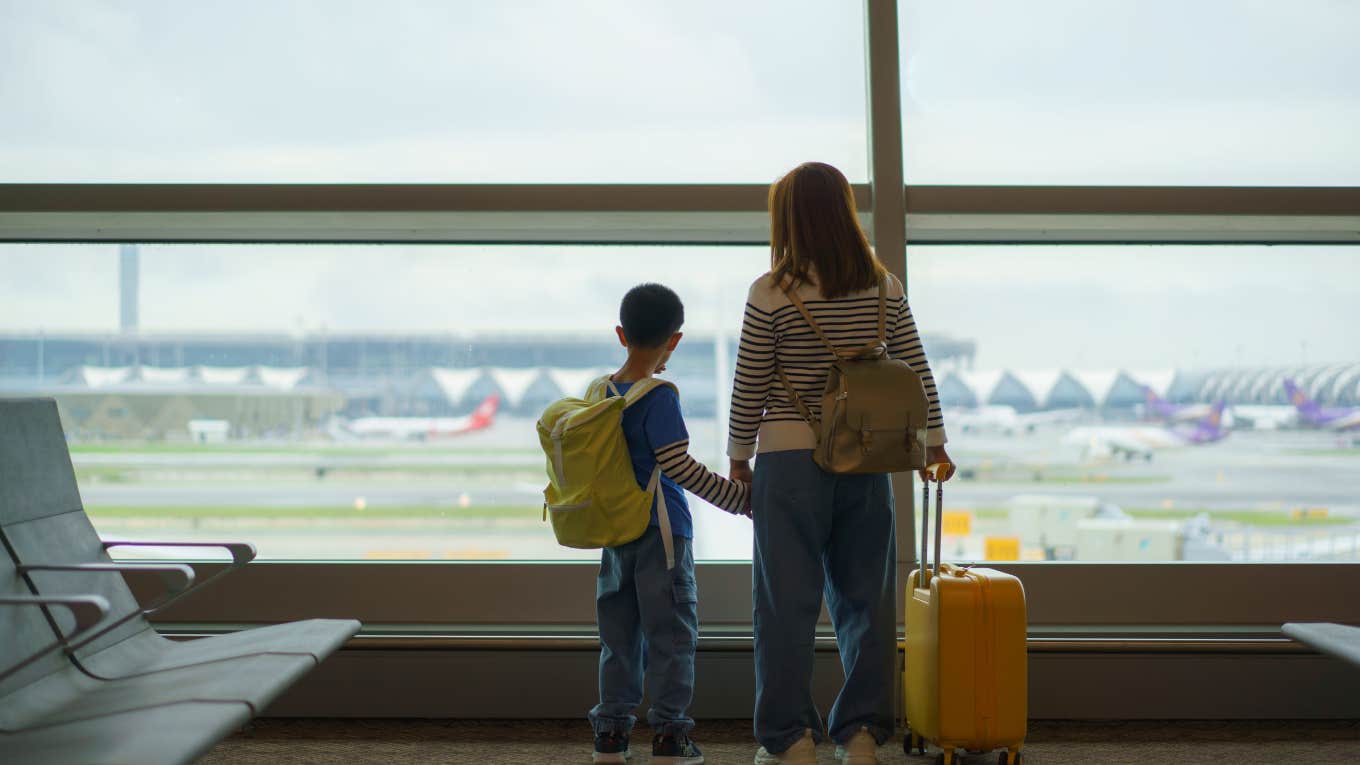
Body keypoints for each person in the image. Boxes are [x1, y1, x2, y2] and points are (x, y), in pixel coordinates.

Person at [727, 163, 954, 765]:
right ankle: (860, 736)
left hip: (787, 459)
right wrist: (935, 442)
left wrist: (737, 455)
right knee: (866, 598)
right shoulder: (883, 285)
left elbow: (750, 380)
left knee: (785, 602)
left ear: (787, 218)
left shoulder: (771, 291)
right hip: (868, 456)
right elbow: (914, 369)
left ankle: (790, 740)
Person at [590, 283, 752, 765]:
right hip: (663, 536)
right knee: (671, 636)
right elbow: (677, 465)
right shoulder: (658, 395)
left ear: (621, 334)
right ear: (674, 340)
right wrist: (736, 498)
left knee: (619, 638)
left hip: (615, 534)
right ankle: (669, 737)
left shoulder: (599, 392)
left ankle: (611, 737)